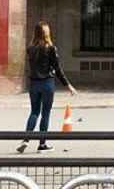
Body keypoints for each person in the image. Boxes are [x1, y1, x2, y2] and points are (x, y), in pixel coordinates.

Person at [17, 21, 76, 153]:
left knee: (34, 112)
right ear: (46, 33)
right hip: (47, 84)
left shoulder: (30, 48)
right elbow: (58, 69)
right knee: (45, 113)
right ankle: (42, 144)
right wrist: (68, 85)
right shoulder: (51, 48)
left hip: (34, 84)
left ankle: (26, 140)